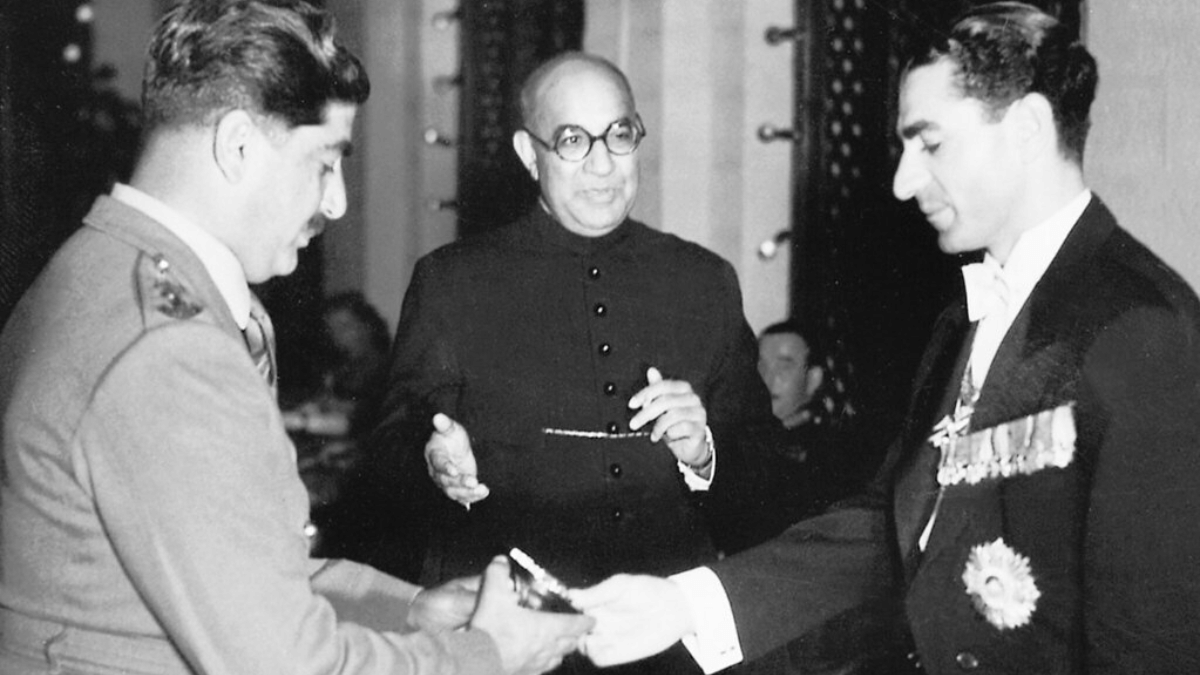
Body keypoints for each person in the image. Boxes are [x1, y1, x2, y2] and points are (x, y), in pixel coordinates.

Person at [570, 4, 1200, 674]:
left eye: (928, 143)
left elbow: (1153, 642)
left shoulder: (1141, 328)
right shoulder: (963, 314)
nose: (903, 181)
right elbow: (892, 528)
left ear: (1027, 128)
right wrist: (686, 604)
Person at [0, 2, 592, 673]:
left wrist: (408, 611)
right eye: (324, 163)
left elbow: (233, 575)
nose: (336, 202)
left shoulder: (102, 271)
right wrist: (488, 653)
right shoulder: (168, 350)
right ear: (240, 146)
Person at [366, 51, 777, 671]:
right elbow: (387, 461)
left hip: (663, 645)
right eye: (572, 141)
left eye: (619, 134)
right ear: (530, 155)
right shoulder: (452, 283)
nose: (603, 164)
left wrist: (704, 453)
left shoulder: (704, 281)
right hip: (508, 643)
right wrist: (433, 464)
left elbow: (767, 481)